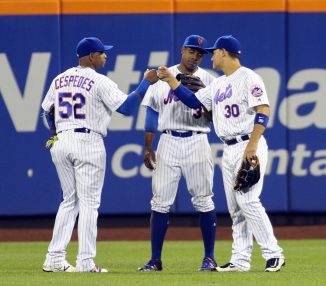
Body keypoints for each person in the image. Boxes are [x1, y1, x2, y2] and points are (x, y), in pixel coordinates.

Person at [157, 35, 285, 272]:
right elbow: (193, 102)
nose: (211, 56)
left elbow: (264, 110)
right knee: (236, 209)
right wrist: (172, 80)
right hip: (228, 148)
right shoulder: (218, 84)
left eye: (214, 52)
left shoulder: (249, 77)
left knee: (248, 200)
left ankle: (273, 253)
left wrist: (252, 146)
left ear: (224, 52)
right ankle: (240, 260)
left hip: (248, 144)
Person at [41, 36, 158, 273]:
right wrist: (146, 83)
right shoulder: (98, 80)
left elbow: (47, 112)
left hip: (61, 141)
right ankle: (85, 261)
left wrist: (55, 135)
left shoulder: (59, 79)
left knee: (69, 200)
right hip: (88, 141)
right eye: (102, 53)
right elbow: (126, 108)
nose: (106, 56)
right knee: (89, 204)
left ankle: (54, 258)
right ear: (91, 56)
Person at [138, 35, 217, 272]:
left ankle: (209, 258)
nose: (195, 56)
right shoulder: (163, 76)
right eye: (192, 51)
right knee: (160, 201)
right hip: (169, 141)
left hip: (198, 140)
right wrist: (148, 146)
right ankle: (155, 260)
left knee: (204, 199)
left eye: (200, 53)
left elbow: (215, 114)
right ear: (182, 50)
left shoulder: (209, 80)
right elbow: (152, 114)